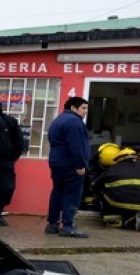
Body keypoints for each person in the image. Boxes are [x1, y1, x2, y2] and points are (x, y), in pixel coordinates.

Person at [46, 96, 91, 238]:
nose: (85, 111)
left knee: (57, 192)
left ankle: (52, 224)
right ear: (73, 108)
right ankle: (68, 226)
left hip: (57, 162)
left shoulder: (58, 120)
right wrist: (80, 165)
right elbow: (76, 146)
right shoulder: (74, 122)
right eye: (83, 108)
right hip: (70, 164)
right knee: (71, 195)